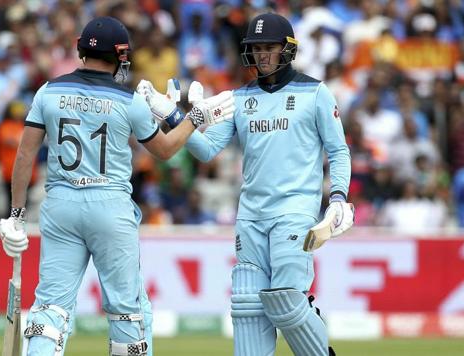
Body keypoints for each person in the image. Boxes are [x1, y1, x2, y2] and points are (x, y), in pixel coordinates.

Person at [0, 16, 234, 356]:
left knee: (50, 311)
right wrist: (195, 119)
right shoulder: (129, 101)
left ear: (81, 49)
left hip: (61, 205)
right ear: (121, 56)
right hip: (110, 207)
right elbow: (166, 151)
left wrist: (16, 215)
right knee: (126, 313)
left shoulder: (48, 91)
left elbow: (25, 154)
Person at [139, 13, 353, 356]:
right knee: (246, 307)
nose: (262, 55)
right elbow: (207, 150)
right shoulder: (239, 98)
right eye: (256, 49)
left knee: (286, 300)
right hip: (250, 215)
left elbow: (338, 151)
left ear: (287, 50)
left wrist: (339, 198)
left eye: (269, 47)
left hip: (294, 210)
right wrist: (173, 117)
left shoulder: (315, 92)